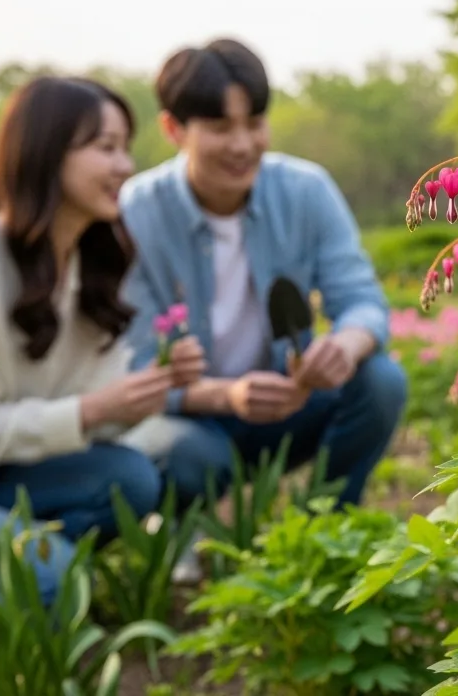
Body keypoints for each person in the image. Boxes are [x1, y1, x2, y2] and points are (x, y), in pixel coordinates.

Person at [0, 77, 206, 630]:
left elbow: (83, 418)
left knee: (131, 480)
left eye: (125, 148)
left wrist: (144, 394)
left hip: (4, 472)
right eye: (105, 147)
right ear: (46, 152)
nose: (125, 166)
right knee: (52, 580)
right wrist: (94, 409)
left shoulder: (90, 263)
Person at [118, 39, 407, 571]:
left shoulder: (305, 191)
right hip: (192, 417)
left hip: (288, 401)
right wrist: (227, 396)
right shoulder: (134, 213)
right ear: (174, 129)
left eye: (254, 123)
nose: (242, 145)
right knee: (186, 453)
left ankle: (329, 535)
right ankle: (184, 527)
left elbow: (363, 301)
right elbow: (133, 364)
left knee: (380, 381)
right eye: (220, 128)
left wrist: (344, 346)